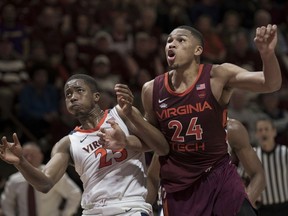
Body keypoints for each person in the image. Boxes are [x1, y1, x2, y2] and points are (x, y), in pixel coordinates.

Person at [114, 23, 282, 216]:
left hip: (219, 177)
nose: (171, 44)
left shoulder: (217, 75)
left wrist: (267, 54)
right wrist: (124, 140)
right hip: (179, 188)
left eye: (180, 40)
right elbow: (152, 143)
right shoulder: (152, 89)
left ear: (198, 49)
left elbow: (271, 84)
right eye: (168, 41)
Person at [0, 74, 169, 216]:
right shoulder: (66, 143)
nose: (72, 97)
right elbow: (45, 183)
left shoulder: (121, 114)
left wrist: (130, 121)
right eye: (67, 94)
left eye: (79, 90)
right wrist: (21, 162)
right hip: (92, 211)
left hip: (130, 207)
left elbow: (161, 147)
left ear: (96, 96)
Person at [145, 118, 265, 216]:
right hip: (183, 202)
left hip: (221, 198)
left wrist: (240, 203)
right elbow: (153, 176)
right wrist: (143, 208)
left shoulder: (231, 129)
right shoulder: (177, 133)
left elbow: (258, 174)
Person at [1, 142, 82, 216]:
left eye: (32, 155)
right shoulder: (14, 180)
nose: (29, 159)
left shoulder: (53, 173)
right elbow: (7, 202)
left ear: (40, 156)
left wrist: (66, 214)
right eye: (25, 156)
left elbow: (75, 194)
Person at [250, 117, 288, 216]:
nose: (263, 133)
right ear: (256, 134)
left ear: (274, 132)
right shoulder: (252, 155)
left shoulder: (285, 152)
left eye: (266, 129)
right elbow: (242, 179)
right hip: (263, 209)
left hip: (285, 207)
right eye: (260, 130)